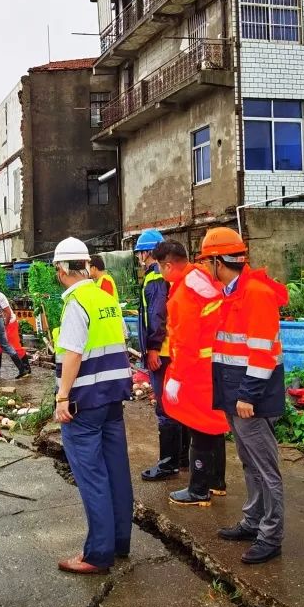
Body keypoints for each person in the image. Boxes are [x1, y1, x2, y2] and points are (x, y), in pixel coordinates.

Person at [200, 226, 288, 565]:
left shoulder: (255, 293)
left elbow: (262, 352)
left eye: (208, 261)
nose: (206, 268)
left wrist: (248, 396)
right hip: (235, 393)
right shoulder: (233, 292)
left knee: (266, 469)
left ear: (219, 262)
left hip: (250, 396)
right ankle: (253, 521)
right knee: (250, 463)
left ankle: (271, 535)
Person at [51, 237, 133, 574]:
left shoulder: (76, 304)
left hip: (84, 402)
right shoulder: (106, 299)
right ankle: (119, 543)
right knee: (116, 472)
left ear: (61, 270)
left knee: (92, 477)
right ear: (85, 265)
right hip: (113, 397)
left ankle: (98, 554)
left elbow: (72, 353)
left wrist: (61, 397)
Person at [148, 241, 231, 507]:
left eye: (160, 267)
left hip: (197, 368)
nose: (160, 272)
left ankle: (198, 490)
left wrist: (177, 379)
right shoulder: (201, 276)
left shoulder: (184, 294)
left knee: (199, 426)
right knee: (215, 423)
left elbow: (184, 342)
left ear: (168, 265)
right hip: (217, 361)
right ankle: (217, 482)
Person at [134, 229, 186, 481]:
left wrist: (153, 347)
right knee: (178, 405)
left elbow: (156, 315)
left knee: (165, 409)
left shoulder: (155, 278)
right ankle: (183, 458)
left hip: (162, 352)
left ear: (148, 252)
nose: (139, 259)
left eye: (140, 253)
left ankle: (168, 464)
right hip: (173, 349)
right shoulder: (169, 276)